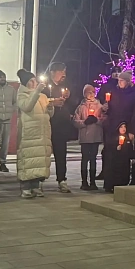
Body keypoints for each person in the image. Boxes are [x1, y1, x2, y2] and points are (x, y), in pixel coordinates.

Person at [16, 69, 54, 198]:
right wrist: (37, 91)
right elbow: (27, 106)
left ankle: (36, 185)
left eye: (35, 80)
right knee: (28, 159)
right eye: (31, 81)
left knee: (39, 161)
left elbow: (48, 114)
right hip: (29, 133)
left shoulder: (42, 96)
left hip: (42, 132)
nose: (34, 83)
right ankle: (26, 187)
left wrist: (51, 108)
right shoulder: (22, 95)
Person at [102, 72, 135, 192]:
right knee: (111, 156)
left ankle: (121, 182)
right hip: (112, 128)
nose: (119, 82)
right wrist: (106, 108)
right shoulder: (114, 92)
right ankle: (109, 183)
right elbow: (110, 110)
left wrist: (132, 130)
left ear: (128, 82)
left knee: (123, 156)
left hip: (125, 128)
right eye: (118, 80)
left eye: (122, 80)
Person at [44, 62, 76, 193]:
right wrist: (52, 102)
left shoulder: (66, 86)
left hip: (61, 125)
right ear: (52, 72)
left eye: (64, 71)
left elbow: (73, 103)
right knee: (44, 153)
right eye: (61, 71)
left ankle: (62, 179)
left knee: (61, 153)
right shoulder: (44, 87)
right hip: (47, 124)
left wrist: (69, 97)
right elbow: (40, 102)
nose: (64, 74)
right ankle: (39, 179)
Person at [73, 85, 103, 191]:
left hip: (95, 137)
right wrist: (85, 122)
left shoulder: (99, 106)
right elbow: (75, 122)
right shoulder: (81, 107)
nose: (91, 94)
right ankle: (84, 182)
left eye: (93, 92)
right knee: (85, 159)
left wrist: (97, 120)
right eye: (89, 92)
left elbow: (104, 120)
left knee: (93, 159)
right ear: (85, 94)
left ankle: (93, 182)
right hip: (85, 138)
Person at [96, 65, 121, 182]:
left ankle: (117, 171)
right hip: (108, 120)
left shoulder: (121, 86)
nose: (116, 74)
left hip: (119, 120)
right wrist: (103, 105)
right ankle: (105, 170)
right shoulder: (106, 86)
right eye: (114, 72)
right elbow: (99, 99)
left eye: (118, 72)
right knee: (107, 147)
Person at [104, 122, 133, 193]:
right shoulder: (113, 138)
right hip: (115, 160)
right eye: (121, 127)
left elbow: (130, 149)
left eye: (124, 127)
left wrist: (132, 157)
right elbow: (109, 149)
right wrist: (116, 148)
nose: (123, 129)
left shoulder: (127, 138)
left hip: (125, 160)